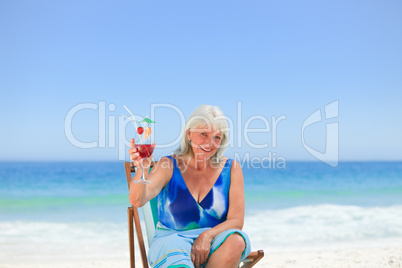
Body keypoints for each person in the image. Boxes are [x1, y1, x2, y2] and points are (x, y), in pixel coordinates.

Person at [128, 104, 251, 268]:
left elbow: (236, 221)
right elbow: (137, 200)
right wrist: (142, 168)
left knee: (236, 240)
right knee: (174, 250)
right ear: (189, 135)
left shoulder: (232, 169)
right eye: (203, 134)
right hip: (172, 242)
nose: (210, 143)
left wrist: (207, 236)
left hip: (213, 243)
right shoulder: (168, 165)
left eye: (217, 137)